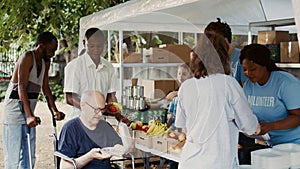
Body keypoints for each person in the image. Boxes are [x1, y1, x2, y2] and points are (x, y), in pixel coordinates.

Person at [174, 33, 260, 169]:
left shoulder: (186, 86)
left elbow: (181, 124)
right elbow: (249, 127)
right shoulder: (229, 84)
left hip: (189, 161)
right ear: (224, 57)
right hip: (218, 163)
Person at [2, 32, 64, 169]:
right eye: (51, 50)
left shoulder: (45, 62)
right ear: (41, 46)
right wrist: (29, 115)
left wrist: (54, 110)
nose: (53, 54)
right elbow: (21, 87)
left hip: (28, 112)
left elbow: (45, 87)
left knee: (29, 157)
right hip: (14, 113)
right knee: (13, 158)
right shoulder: (27, 57)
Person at [63, 28, 130, 125]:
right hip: (78, 122)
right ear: (84, 43)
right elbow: (70, 98)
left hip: (99, 122)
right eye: (91, 46)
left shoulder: (109, 67)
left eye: (99, 46)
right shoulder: (74, 66)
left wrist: (118, 115)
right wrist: (95, 110)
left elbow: (111, 97)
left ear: (104, 44)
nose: (96, 50)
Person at [240, 44, 300, 146]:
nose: (248, 73)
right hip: (271, 143)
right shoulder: (248, 86)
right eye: (245, 70)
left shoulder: (286, 83)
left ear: (265, 65)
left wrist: (271, 126)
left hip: (294, 144)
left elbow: (298, 116)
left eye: (253, 69)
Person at [58, 90, 123, 169]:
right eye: (96, 109)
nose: (100, 114)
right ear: (83, 105)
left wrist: (118, 148)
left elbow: (119, 145)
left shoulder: (105, 126)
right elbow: (64, 167)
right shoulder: (70, 129)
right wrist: (90, 156)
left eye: (102, 110)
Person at [204, 18, 247, 86]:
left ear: (225, 40)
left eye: (213, 42)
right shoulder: (211, 59)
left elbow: (246, 89)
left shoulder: (242, 58)